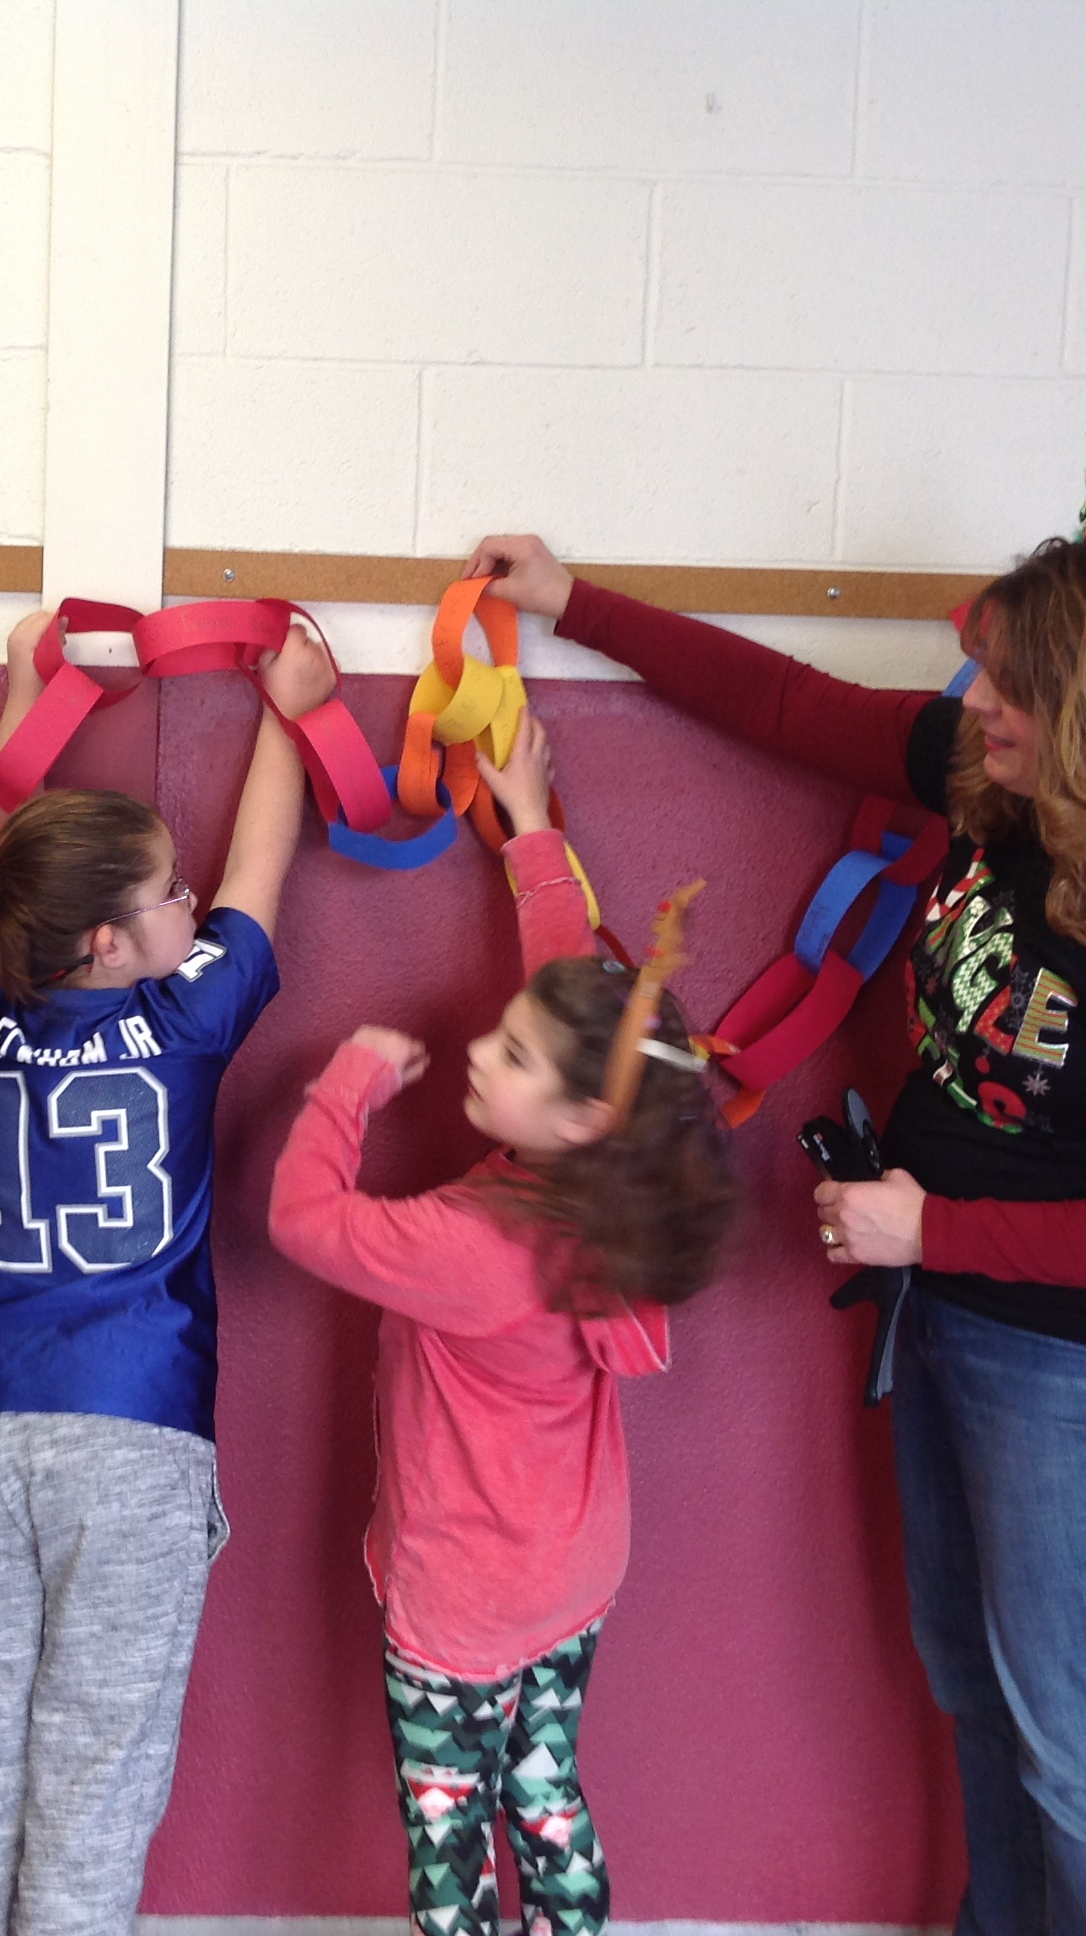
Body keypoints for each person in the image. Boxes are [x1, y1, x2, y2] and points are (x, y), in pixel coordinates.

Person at [465, 443, 1086, 1936]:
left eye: (1012, 686)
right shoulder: (1007, 801)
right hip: (960, 1314)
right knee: (975, 1683)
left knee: (1073, 1728)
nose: (975, 702)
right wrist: (572, 599)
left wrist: (931, 1224)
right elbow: (795, 708)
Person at [266, 708, 736, 1936]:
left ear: (577, 1116)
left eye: (513, 1055)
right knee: (546, 1785)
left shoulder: (475, 1247)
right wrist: (532, 832)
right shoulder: (606, 1206)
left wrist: (347, 1086)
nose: (486, 1044)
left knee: (447, 1822)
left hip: (462, 1598)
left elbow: (309, 1223)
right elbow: (568, 990)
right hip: (569, 1579)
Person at [0, 608, 338, 1936]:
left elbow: (1, 865)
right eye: (165, 893)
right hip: (135, 1434)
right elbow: (263, 867)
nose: (191, 899)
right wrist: (291, 714)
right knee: (98, 1765)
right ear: (103, 944)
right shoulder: (188, 1019)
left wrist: (23, 694)